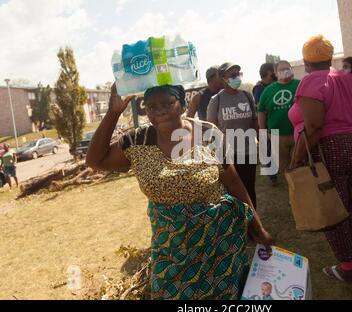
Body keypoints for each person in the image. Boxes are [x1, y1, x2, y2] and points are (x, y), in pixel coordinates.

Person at [86, 83, 273, 300]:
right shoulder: (137, 140)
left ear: (183, 104)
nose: (160, 111)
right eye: (152, 106)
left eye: (168, 103)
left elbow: (233, 182)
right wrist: (113, 112)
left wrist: (258, 229)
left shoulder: (207, 133)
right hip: (170, 248)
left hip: (220, 243)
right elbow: (95, 160)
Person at [290, 35, 352, 283]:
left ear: (306, 61)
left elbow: (313, 126)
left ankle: (347, 267)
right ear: (330, 57)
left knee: (333, 208)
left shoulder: (311, 82)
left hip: (330, 148)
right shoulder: (349, 79)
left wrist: (296, 160)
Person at [207, 63, 259, 208]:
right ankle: (237, 222)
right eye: (233, 75)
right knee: (233, 191)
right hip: (228, 154)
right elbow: (210, 128)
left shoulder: (247, 96)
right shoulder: (216, 100)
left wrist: (258, 141)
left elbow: (255, 121)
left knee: (249, 188)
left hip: (248, 151)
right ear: (223, 78)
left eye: (238, 73)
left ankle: (253, 222)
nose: (237, 77)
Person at [258, 60, 300, 181]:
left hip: (297, 133)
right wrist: (262, 131)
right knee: (283, 167)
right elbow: (261, 111)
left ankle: (299, 187)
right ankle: (290, 187)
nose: (285, 71)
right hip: (276, 135)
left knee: (298, 165)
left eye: (288, 68)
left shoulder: (300, 84)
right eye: (282, 70)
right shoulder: (268, 90)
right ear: (275, 73)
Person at [253, 63, 277, 186]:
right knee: (268, 151)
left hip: (276, 123)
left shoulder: (275, 85)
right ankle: (272, 177)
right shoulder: (259, 88)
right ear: (268, 72)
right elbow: (259, 106)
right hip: (266, 125)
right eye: (274, 70)